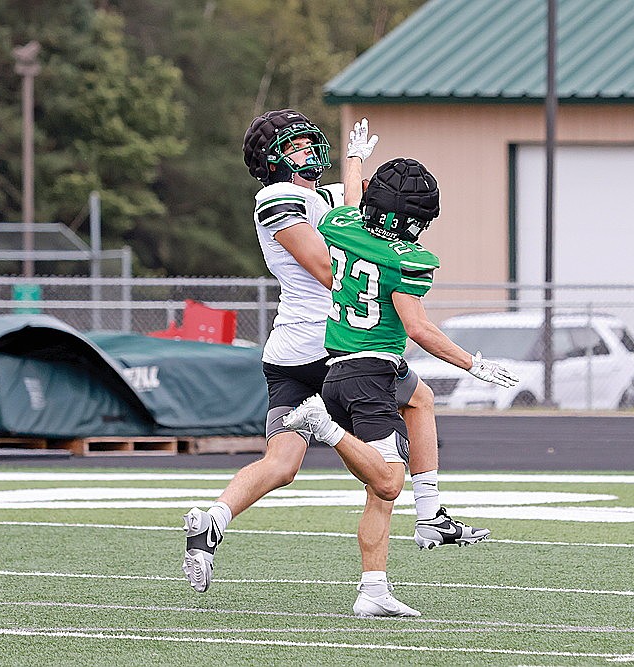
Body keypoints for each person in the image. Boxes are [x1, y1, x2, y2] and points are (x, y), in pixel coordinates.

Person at [182, 110, 491, 617]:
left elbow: (351, 212)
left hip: (288, 354)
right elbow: (329, 267)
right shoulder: (275, 198)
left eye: (309, 142)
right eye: (297, 146)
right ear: (272, 159)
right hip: (329, 348)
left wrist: (354, 162)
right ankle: (411, 534)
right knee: (389, 464)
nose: (308, 152)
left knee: (282, 466)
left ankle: (211, 519)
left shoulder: (319, 197)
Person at [281, 155, 520, 611]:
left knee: (422, 400)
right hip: (368, 375)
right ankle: (322, 426)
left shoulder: (340, 223)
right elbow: (418, 329)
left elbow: (353, 199)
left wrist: (353, 161)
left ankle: (392, 566)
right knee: (389, 483)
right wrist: (473, 364)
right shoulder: (407, 258)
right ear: (404, 217)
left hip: (347, 365)